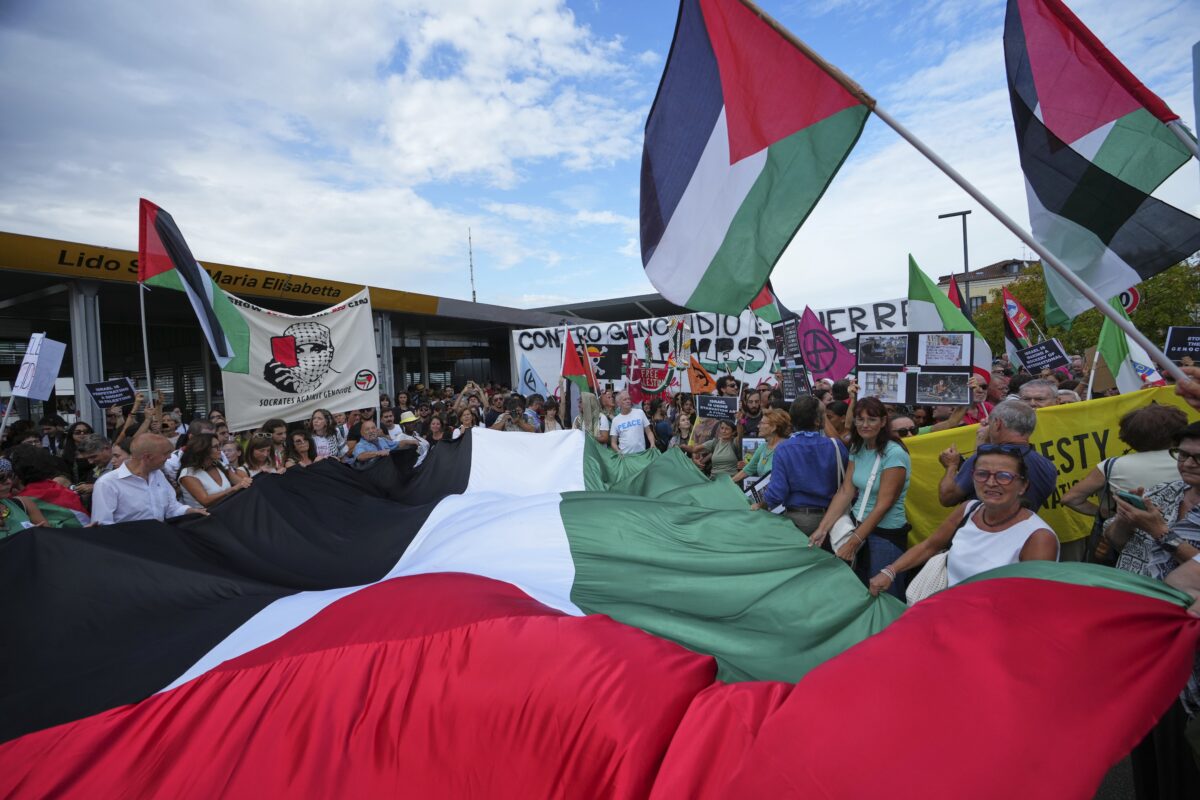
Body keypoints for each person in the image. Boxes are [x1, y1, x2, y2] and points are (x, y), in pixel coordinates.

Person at [1103, 420, 1200, 798]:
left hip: (1186, 633)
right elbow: (1114, 539)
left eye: (1197, 458)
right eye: (1183, 455)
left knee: (1182, 736)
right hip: (1142, 626)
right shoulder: (1165, 492)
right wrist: (1127, 522)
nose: (1188, 464)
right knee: (1147, 732)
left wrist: (1161, 531)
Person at [868, 446, 1059, 597]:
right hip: (947, 616)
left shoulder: (1038, 537)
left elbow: (1033, 600)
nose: (991, 483)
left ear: (1023, 486)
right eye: (982, 474)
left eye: (1004, 476)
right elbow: (929, 546)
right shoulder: (969, 509)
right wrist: (890, 571)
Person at [811, 397, 911, 598]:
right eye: (860, 419)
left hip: (885, 536)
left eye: (871, 419)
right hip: (858, 527)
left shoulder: (894, 454)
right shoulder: (858, 448)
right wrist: (822, 529)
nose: (865, 425)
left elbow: (883, 505)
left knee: (882, 598)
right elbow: (845, 491)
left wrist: (853, 543)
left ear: (883, 422)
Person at [1062, 404, 1188, 538]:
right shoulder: (1191, 461)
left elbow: (1071, 499)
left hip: (1131, 539)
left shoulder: (1111, 465)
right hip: (1188, 535)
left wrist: (1113, 515)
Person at [937, 399, 1057, 512]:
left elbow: (947, 498)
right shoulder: (1047, 466)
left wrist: (951, 466)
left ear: (998, 424)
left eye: (990, 423)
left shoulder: (986, 460)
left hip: (986, 530)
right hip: (1025, 529)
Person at [765, 396, 848, 536]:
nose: (825, 418)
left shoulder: (784, 448)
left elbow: (777, 492)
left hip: (798, 520)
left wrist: (762, 504)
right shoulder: (835, 446)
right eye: (824, 415)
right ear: (818, 421)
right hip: (831, 519)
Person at [91, 433, 205, 524]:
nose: (170, 457)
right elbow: (103, 524)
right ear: (147, 457)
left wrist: (190, 511)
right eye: (166, 453)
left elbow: (172, 507)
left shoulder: (157, 475)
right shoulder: (107, 483)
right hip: (128, 548)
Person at [178, 434, 248, 509]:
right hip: (204, 518)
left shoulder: (218, 464)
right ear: (203, 449)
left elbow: (241, 482)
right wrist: (232, 489)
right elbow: (205, 501)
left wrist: (260, 472)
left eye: (219, 446)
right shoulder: (188, 474)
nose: (220, 450)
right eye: (216, 447)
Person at [732, 408, 790, 484]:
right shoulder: (763, 447)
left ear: (773, 427)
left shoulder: (787, 448)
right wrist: (729, 483)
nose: (758, 426)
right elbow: (747, 470)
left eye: (762, 423)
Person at [0, 457, 49, 538]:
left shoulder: (24, 503)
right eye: (1, 478)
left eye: (10, 475)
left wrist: (39, 534)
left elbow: (50, 537)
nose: (9, 481)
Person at [608, 391, 655, 455]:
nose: (628, 401)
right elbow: (613, 442)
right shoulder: (616, 420)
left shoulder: (640, 412)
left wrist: (652, 444)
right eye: (625, 399)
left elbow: (649, 432)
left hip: (641, 455)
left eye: (629, 398)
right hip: (625, 457)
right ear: (618, 403)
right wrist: (618, 451)